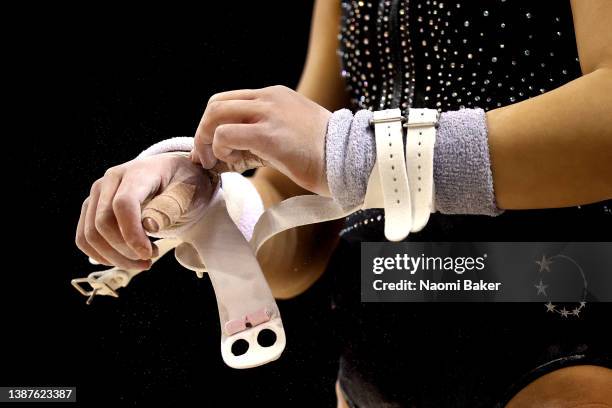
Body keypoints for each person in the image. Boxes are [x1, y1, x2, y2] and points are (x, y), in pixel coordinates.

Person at [75, 0, 612, 406]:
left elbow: (343, 150)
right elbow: (302, 197)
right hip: (375, 356)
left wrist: (355, 150)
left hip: (559, 319)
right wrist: (213, 210)